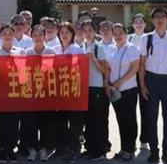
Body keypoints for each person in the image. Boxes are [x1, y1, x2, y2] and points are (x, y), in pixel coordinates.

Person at [138, 8, 167, 164]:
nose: (160, 19)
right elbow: (142, 64)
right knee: (151, 118)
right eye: (157, 17)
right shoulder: (146, 38)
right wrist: (143, 85)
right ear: (152, 20)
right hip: (151, 80)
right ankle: (154, 152)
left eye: (163, 17)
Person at [105, 23, 140, 161]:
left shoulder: (131, 48)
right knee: (121, 120)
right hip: (114, 90)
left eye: (121, 33)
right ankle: (123, 148)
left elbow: (134, 68)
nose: (118, 36)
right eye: (116, 33)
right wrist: (108, 83)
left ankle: (130, 149)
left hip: (128, 89)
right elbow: (108, 68)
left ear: (126, 34)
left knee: (129, 120)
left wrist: (120, 82)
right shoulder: (111, 49)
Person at [23, 25, 57, 161]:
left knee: (46, 122)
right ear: (32, 37)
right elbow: (23, 72)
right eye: (35, 35)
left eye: (40, 34)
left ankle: (44, 149)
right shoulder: (27, 52)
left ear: (44, 36)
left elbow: (55, 70)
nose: (38, 37)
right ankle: (32, 149)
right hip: (31, 92)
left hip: (46, 92)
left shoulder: (50, 51)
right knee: (31, 122)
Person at [0, 24, 24, 163]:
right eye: (5, 33)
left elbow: (24, 73)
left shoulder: (20, 51)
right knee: (0, 121)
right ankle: (2, 148)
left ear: (14, 35)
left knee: (13, 121)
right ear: (1, 35)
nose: (8, 35)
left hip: (15, 91)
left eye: (10, 33)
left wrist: (16, 63)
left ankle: (11, 148)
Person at [81, 20, 110, 161]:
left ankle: (99, 151)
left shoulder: (99, 48)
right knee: (88, 121)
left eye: (90, 30)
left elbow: (105, 70)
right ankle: (90, 148)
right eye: (85, 30)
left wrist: (94, 60)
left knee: (98, 120)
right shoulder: (80, 47)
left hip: (97, 88)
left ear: (94, 31)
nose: (87, 33)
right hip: (83, 88)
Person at [59, 22, 85, 160]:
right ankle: (64, 147)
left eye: (67, 32)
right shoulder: (56, 49)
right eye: (62, 32)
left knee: (75, 121)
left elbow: (80, 70)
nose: (64, 35)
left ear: (72, 34)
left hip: (74, 90)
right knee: (62, 120)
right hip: (60, 91)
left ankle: (75, 148)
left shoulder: (76, 49)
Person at [127, 14, 149, 151]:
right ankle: (130, 140)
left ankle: (144, 140)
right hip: (130, 77)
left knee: (145, 110)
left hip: (146, 77)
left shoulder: (150, 38)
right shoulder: (128, 38)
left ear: (145, 24)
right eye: (136, 21)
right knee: (130, 111)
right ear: (133, 25)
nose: (139, 24)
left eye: (141, 21)